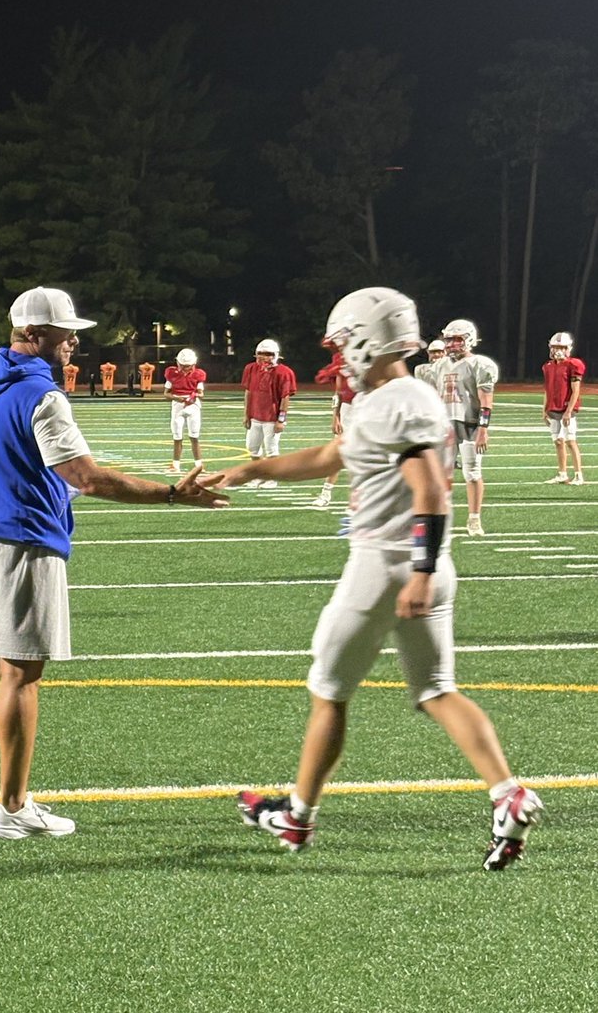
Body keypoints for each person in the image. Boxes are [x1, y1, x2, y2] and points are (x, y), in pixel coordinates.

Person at [203, 286, 543, 872]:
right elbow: (331, 457)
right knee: (437, 690)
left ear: (364, 339)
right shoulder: (395, 397)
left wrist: (417, 570)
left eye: (342, 343)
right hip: (422, 568)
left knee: (329, 689)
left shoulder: (400, 399)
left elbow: (432, 491)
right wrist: (248, 470)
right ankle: (507, 794)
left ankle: (297, 817)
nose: (339, 356)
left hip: (387, 566)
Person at [0, 285, 227, 841]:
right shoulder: (43, 395)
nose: (74, 344)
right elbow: (86, 478)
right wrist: (170, 494)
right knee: (21, 674)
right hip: (23, 543)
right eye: (66, 335)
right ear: (36, 335)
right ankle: (12, 809)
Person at [430, 319, 497, 537]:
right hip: (444, 425)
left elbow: (486, 400)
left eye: (457, 339)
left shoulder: (480, 364)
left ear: (469, 339)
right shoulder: (439, 365)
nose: (451, 344)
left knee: (472, 473)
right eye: (448, 340)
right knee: (439, 474)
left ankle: (474, 519)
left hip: (469, 424)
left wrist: (483, 429)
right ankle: (439, 518)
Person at [241, 338, 298, 489]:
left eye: (268, 354)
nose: (264, 357)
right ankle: (259, 476)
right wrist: (246, 414)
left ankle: (273, 478)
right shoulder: (251, 369)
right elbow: (248, 392)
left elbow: (285, 397)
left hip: (272, 418)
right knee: (252, 447)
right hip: (255, 416)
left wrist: (281, 420)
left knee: (271, 449)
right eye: (261, 354)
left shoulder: (284, 372)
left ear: (275, 355)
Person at [311, 340, 356, 510]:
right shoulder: (343, 360)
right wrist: (335, 416)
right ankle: (326, 493)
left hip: (368, 406)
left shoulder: (371, 357)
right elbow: (338, 391)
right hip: (348, 407)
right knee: (339, 452)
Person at [542, 332, 585, 485]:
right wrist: (544, 409)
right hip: (553, 408)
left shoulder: (574, 364)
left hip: (567, 408)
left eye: (561, 347)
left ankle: (579, 475)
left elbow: (576, 390)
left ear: (568, 348)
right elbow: (547, 389)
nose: (558, 350)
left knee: (570, 441)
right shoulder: (547, 366)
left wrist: (569, 411)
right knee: (558, 441)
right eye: (555, 347)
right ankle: (562, 474)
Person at [164, 348, 206, 473]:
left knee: (194, 436)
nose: (185, 369)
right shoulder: (172, 374)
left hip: (193, 406)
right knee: (177, 436)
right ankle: (175, 465)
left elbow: (201, 393)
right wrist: (178, 398)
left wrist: (193, 397)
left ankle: (199, 465)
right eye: (183, 366)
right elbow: (166, 393)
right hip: (177, 406)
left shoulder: (198, 374)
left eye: (188, 366)